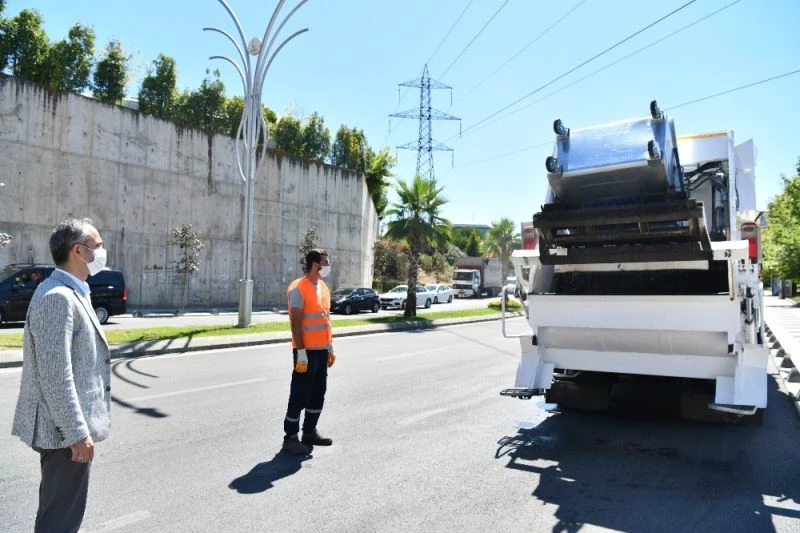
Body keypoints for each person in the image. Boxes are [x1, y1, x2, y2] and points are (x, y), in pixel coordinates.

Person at [11, 218, 111, 533]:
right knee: (61, 519)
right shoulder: (58, 298)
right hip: (63, 432)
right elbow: (57, 375)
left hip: (64, 429)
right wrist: (77, 434)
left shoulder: (72, 292)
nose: (103, 251)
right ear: (78, 251)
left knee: (60, 510)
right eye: (98, 246)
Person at [282, 248, 336, 455]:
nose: (328, 267)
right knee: (299, 394)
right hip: (306, 352)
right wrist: (301, 352)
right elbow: (295, 324)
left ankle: (309, 431)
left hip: (321, 351)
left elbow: (325, 320)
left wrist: (330, 347)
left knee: (318, 393)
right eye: (326, 263)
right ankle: (290, 438)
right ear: (315, 265)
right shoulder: (298, 288)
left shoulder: (323, 287)